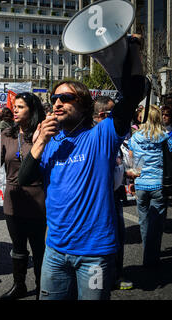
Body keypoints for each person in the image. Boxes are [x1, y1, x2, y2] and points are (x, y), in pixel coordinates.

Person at [18, 35, 146, 300]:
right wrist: (40, 141)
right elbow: (24, 178)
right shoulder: (51, 142)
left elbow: (133, 92)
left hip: (94, 255)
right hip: (54, 252)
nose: (57, 103)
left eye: (66, 97)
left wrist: (132, 48)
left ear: (85, 104)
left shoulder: (102, 135)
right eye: (55, 98)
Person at [0, 93, 46, 300]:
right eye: (14, 106)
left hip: (39, 200)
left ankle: (42, 287)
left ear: (32, 110)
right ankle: (19, 285)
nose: (14, 110)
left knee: (39, 249)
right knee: (18, 248)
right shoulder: (7, 134)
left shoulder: (45, 134)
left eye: (20, 107)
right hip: (13, 201)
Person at [93, 96, 133, 290]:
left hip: (115, 196)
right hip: (99, 199)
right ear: (102, 116)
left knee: (119, 236)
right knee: (100, 240)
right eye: (114, 114)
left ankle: (116, 274)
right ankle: (98, 281)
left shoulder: (116, 135)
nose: (121, 118)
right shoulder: (95, 136)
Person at [128, 105, 170, 268]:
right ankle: (152, 258)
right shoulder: (165, 137)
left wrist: (133, 180)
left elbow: (134, 161)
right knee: (157, 224)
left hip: (141, 184)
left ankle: (148, 254)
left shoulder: (135, 137)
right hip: (159, 184)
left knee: (144, 222)